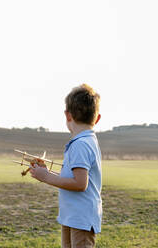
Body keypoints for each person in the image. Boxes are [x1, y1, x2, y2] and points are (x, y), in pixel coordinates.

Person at [30, 84, 102, 248]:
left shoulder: (81, 144)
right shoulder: (84, 141)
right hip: (73, 216)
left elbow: (79, 183)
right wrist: (47, 173)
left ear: (67, 115)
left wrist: (47, 177)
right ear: (97, 119)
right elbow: (72, 178)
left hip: (81, 218)